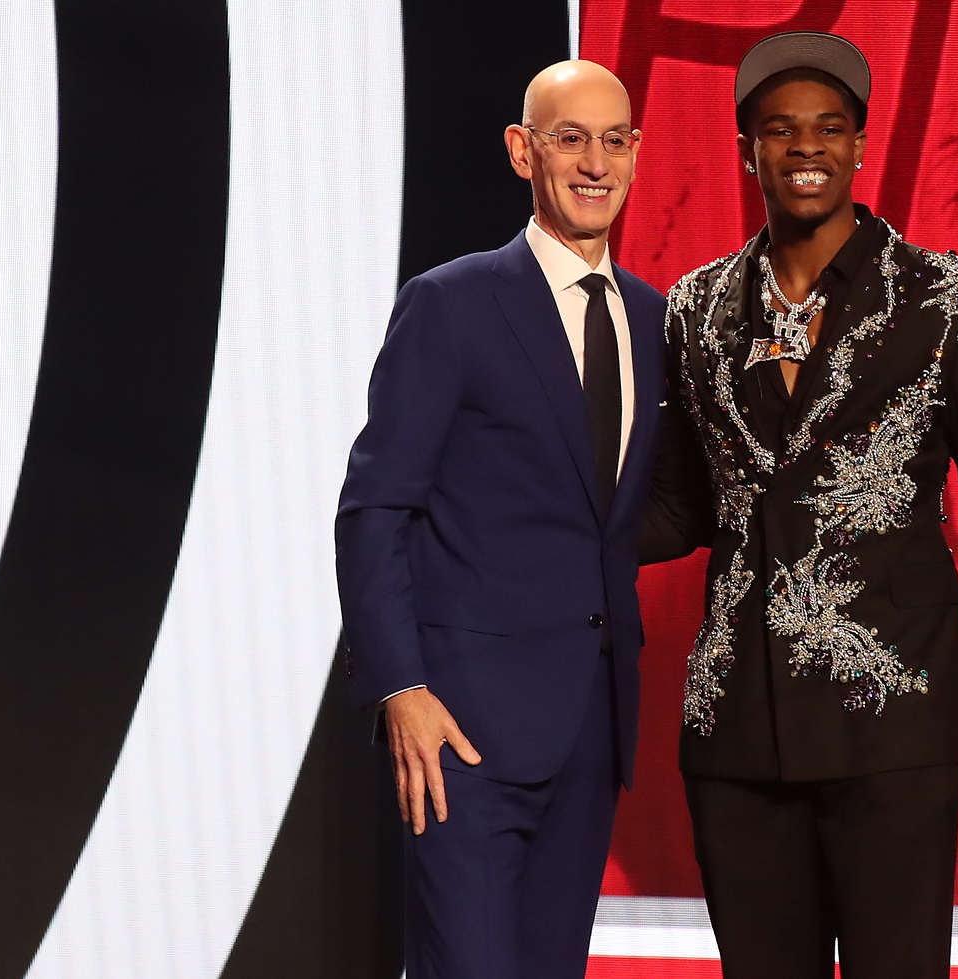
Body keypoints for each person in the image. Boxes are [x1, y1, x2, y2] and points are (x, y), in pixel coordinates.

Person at [642, 32, 958, 979]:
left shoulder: (951, 300)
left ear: (861, 146)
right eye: (781, 130)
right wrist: (527, 524)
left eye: (829, 128)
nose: (806, 148)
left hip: (895, 714)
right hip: (737, 726)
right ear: (747, 147)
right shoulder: (696, 307)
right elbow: (681, 506)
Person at [336, 61, 666, 979]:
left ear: (636, 156)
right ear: (524, 151)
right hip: (462, 731)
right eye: (570, 138)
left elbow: (616, 514)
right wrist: (399, 687)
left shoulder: (651, 318)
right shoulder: (451, 302)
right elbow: (373, 507)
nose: (593, 162)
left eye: (613, 140)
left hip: (591, 730)